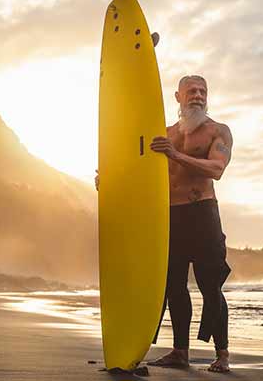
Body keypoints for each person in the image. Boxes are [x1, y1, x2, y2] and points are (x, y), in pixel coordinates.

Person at [95, 75, 233, 373]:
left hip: (203, 213)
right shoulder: (164, 134)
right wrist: (108, 182)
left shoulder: (217, 131)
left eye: (202, 91)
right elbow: (137, 171)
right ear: (177, 96)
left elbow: (216, 169)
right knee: (173, 286)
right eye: (191, 91)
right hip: (169, 217)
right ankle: (179, 351)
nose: (197, 95)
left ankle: (221, 353)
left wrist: (175, 155)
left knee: (211, 286)